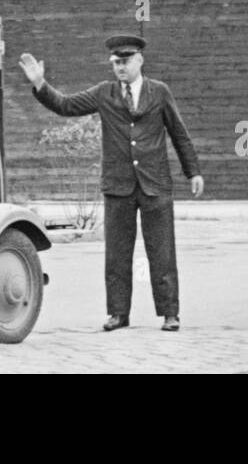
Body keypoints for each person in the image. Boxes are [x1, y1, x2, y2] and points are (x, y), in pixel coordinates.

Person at [18, 34, 204, 332]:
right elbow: (66, 106)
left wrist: (192, 171)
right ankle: (118, 313)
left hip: (155, 184)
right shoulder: (104, 93)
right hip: (118, 186)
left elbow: (179, 134)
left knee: (162, 251)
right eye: (116, 62)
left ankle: (170, 313)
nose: (120, 67)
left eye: (126, 61)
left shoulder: (160, 92)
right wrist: (41, 84)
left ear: (140, 60)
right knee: (117, 253)